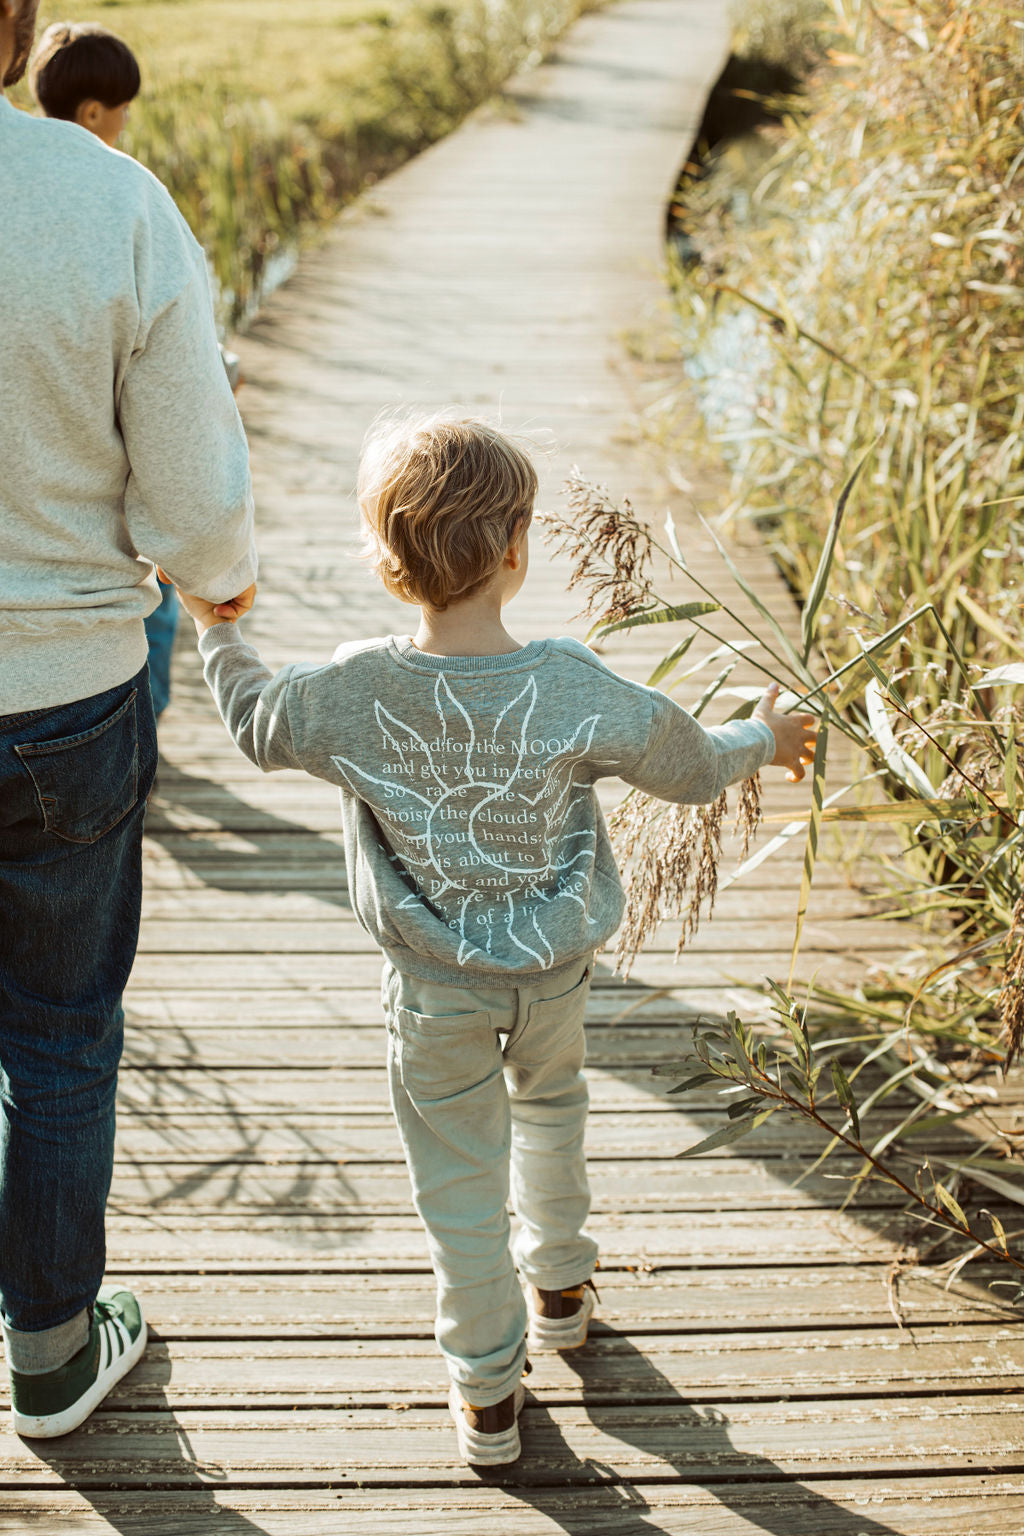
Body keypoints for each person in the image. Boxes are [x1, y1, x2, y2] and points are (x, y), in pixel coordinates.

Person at [174, 411, 817, 1468]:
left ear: (386, 563)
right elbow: (693, 765)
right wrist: (766, 737)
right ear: (517, 550)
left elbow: (254, 722)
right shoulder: (570, 682)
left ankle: (485, 1391)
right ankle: (560, 1287)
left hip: (431, 992)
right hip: (553, 974)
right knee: (554, 1113)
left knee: (457, 1184)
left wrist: (214, 629)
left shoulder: (353, 690)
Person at [0, 0, 257, 1440]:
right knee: (56, 1034)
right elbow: (194, 490)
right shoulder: (110, 201)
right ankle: (49, 1351)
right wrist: (217, 578)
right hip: (57, 693)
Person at [28, 19, 241, 723]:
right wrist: (219, 572)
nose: (126, 120)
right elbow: (176, 435)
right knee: (156, 619)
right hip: (80, 641)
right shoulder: (123, 195)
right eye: (122, 108)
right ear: (94, 112)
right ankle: (150, 718)